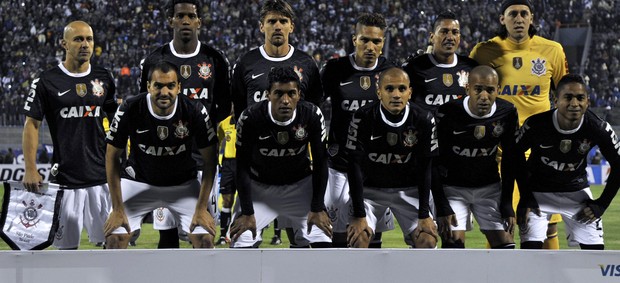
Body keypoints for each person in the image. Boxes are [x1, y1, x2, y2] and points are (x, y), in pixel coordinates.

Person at [470, 0, 569, 250]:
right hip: (500, 150)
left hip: (540, 150)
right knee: (500, 225)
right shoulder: (484, 51)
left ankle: (550, 276)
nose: (519, 18)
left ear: (531, 18)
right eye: (512, 14)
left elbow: (567, 92)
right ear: (503, 19)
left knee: (547, 224)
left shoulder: (552, 50)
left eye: (524, 13)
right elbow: (468, 91)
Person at [139, 0, 231, 248]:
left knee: (202, 237)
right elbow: (143, 109)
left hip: (202, 165)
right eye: (180, 16)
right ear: (171, 21)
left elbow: (223, 108)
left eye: (191, 16)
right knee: (167, 236)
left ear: (199, 21)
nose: (186, 21)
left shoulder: (215, 60)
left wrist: (209, 140)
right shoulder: (154, 59)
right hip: (164, 166)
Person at [230, 0, 323, 246]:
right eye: (272, 21)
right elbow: (241, 111)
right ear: (262, 26)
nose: (278, 26)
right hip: (257, 175)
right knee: (241, 241)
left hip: (298, 174)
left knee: (309, 243)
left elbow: (310, 111)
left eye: (283, 21)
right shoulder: (245, 63)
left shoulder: (307, 64)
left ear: (292, 26)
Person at [22, 20, 117, 249]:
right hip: (65, 180)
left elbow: (117, 121)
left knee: (114, 244)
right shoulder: (46, 80)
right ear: (64, 43)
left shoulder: (104, 77)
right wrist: (30, 168)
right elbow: (32, 124)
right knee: (66, 252)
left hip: (101, 178)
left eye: (89, 39)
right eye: (78, 39)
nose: (85, 44)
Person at [104, 60, 218, 249]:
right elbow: (111, 156)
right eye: (158, 86)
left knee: (205, 239)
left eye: (170, 86)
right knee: (115, 238)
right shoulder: (130, 108)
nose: (164, 92)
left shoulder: (194, 111)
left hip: (183, 185)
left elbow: (210, 160)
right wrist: (117, 209)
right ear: (148, 86)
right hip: (138, 182)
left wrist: (201, 208)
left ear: (179, 87)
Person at [229, 66, 332, 248]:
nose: (285, 100)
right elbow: (242, 167)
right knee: (241, 242)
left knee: (322, 240)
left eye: (291, 93)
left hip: (300, 186)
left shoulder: (312, 115)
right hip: (259, 188)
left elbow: (321, 162)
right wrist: (246, 212)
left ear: (299, 94)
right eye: (278, 93)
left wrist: (317, 207)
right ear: (268, 94)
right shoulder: (250, 118)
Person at [516, 74, 620, 250]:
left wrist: (601, 204)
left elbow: (618, 165)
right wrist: (525, 197)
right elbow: (514, 156)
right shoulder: (536, 125)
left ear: (587, 101)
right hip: (538, 193)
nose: (574, 103)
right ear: (555, 100)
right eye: (568, 97)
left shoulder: (598, 128)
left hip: (576, 193)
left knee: (594, 256)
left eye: (580, 98)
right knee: (530, 253)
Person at [321, 12, 395, 248]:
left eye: (376, 41)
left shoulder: (391, 71)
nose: (370, 46)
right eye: (365, 40)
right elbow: (312, 108)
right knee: (337, 234)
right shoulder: (334, 69)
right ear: (355, 40)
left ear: (383, 43)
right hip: (339, 164)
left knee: (372, 233)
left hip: (376, 167)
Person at [402, 10, 479, 233]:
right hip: (424, 159)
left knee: (454, 234)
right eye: (443, 31)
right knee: (425, 233)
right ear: (431, 36)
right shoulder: (415, 68)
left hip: (459, 161)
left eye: (455, 32)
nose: (450, 36)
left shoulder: (470, 67)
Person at [345, 67, 438, 248]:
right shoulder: (362, 117)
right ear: (379, 92)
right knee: (358, 238)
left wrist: (424, 214)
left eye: (402, 89)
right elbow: (353, 166)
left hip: (408, 191)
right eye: (389, 89)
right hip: (370, 192)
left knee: (427, 240)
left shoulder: (424, 118)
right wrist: (359, 214)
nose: (396, 94)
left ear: (410, 92)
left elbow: (426, 167)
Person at [435, 66, 518, 248]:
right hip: (453, 189)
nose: (484, 96)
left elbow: (510, 159)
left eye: (490, 90)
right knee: (453, 243)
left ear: (498, 90)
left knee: (506, 245)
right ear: (467, 89)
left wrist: (506, 203)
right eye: (478, 89)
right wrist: (441, 205)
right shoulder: (447, 113)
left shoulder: (508, 112)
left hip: (489, 188)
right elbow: (434, 161)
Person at [215, 113, 236, 246]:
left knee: (246, 199)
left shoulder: (249, 118)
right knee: (227, 200)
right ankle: (223, 236)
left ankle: (242, 234)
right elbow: (218, 140)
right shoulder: (224, 123)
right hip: (228, 163)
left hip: (245, 162)